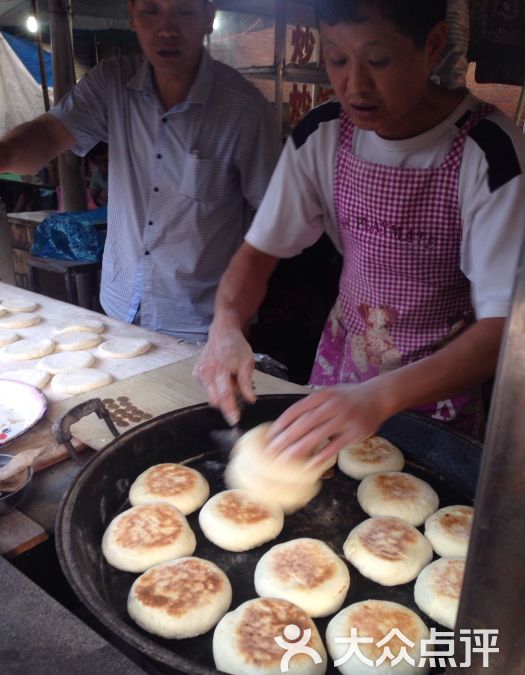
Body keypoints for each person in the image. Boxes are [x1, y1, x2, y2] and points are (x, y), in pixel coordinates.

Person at [194, 0, 525, 466]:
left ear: (431, 46)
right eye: (336, 58)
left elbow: (502, 329)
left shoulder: (489, 152)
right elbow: (257, 253)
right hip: (338, 379)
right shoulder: (323, 133)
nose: (354, 85)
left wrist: (379, 397)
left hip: (436, 398)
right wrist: (226, 325)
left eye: (378, 60)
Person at [0, 0, 281, 341]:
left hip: (202, 326)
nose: (167, 28)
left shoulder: (244, 109)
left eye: (184, 11)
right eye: (151, 11)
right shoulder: (112, 84)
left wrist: (236, 321)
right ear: (132, 14)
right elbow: (47, 134)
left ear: (209, 16)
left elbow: (272, 224)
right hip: (120, 308)